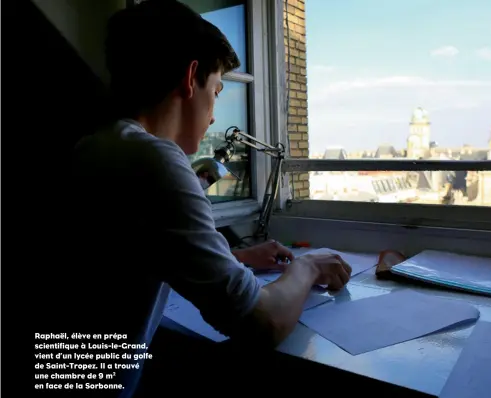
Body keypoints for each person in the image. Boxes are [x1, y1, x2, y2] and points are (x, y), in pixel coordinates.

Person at [69, 0, 352, 396]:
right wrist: (306, 269)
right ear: (190, 78)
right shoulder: (155, 160)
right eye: (217, 90)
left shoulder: (94, 147)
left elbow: (133, 256)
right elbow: (261, 323)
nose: (215, 114)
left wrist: (234, 259)